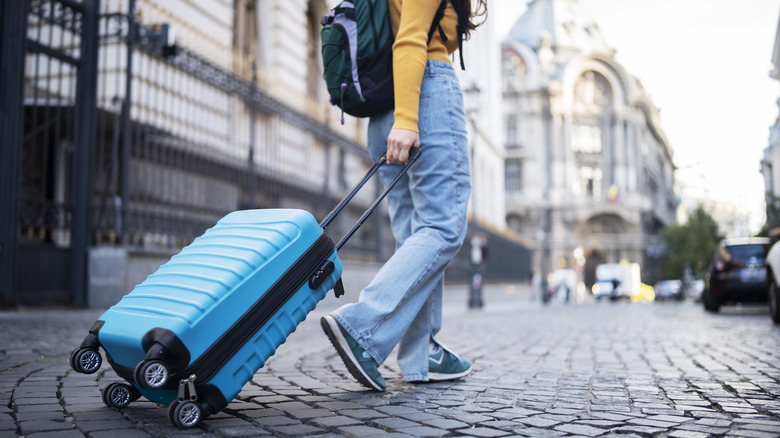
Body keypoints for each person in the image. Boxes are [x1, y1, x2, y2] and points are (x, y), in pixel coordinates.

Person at [320, 0, 488, 391]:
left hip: (386, 109)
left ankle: (420, 353)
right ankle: (360, 327)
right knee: (443, 228)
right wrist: (409, 121)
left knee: (417, 235)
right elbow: (411, 40)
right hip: (423, 97)